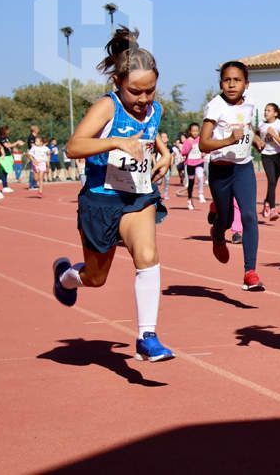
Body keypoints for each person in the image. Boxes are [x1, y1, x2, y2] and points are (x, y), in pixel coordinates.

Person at [51, 27, 174, 362]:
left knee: (147, 256)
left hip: (136, 196)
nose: (143, 99)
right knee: (96, 277)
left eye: (150, 90)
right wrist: (115, 142)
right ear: (119, 82)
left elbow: (152, 136)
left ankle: (147, 337)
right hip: (100, 199)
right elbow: (74, 146)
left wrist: (165, 155)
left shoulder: (155, 109)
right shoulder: (107, 107)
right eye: (136, 91)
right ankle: (65, 277)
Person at [199, 61, 266, 291]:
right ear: (221, 83)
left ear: (246, 84)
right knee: (226, 220)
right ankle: (217, 233)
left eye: (237, 80)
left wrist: (255, 139)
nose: (231, 84)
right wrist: (229, 140)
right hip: (221, 169)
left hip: (243, 167)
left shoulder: (250, 103)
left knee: (249, 215)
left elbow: (246, 125)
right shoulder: (215, 107)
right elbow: (203, 143)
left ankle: (250, 272)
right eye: (227, 80)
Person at [259, 102, 280, 220]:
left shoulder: (279, 124)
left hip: (278, 156)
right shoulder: (261, 124)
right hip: (266, 156)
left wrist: (274, 135)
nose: (266, 112)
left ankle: (266, 202)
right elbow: (257, 137)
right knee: (271, 181)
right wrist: (259, 145)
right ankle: (272, 209)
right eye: (265, 110)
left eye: (269, 110)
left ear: (275, 113)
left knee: (273, 184)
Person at [181, 123, 206, 210]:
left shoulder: (200, 139)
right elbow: (183, 152)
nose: (195, 133)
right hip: (190, 164)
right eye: (193, 131)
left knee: (200, 176)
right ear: (190, 131)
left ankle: (200, 194)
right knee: (191, 184)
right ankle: (189, 200)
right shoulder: (188, 141)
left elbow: (204, 148)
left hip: (199, 162)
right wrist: (189, 147)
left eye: (197, 131)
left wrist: (204, 152)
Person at [0, 125, 21, 192]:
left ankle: (4, 185)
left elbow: (10, 145)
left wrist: (15, 146)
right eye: (7, 129)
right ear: (4, 131)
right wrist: (16, 142)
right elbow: (7, 145)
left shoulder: (6, 137)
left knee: (6, 171)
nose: (9, 131)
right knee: (4, 171)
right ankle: (5, 186)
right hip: (3, 156)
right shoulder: (1, 138)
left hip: (8, 156)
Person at [26, 125, 39, 190]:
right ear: (34, 130)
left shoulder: (35, 137)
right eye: (37, 128)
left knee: (36, 169)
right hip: (32, 155)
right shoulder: (31, 137)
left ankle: (35, 184)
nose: (38, 129)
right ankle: (31, 185)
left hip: (36, 154)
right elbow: (32, 146)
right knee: (32, 170)